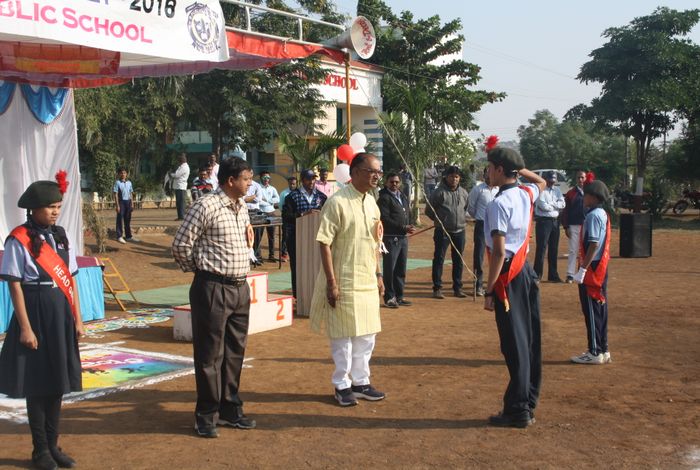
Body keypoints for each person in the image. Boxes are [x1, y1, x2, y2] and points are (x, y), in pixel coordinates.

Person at [0, 176, 84, 470]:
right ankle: (40, 450)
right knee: (37, 384)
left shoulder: (61, 236)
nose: (55, 212)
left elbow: (70, 279)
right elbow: (15, 285)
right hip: (34, 311)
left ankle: (53, 445)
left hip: (60, 311)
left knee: (57, 381)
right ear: (34, 208)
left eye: (58, 206)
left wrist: (78, 319)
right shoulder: (18, 238)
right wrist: (25, 327)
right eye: (50, 207)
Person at [172, 157, 257, 438]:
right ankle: (206, 415)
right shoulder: (206, 205)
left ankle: (230, 409)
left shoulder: (241, 206)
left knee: (235, 352)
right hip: (213, 288)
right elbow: (181, 245)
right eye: (246, 178)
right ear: (231, 180)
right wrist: (202, 272)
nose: (250, 183)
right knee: (210, 355)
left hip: (240, 288)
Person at [309, 153, 386, 407]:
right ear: (354, 172)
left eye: (378, 172)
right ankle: (341, 384)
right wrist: (331, 282)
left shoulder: (372, 203)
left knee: (367, 335)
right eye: (371, 171)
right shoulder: (337, 202)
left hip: (367, 280)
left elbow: (375, 243)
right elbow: (324, 242)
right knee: (343, 337)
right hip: (343, 280)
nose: (376, 176)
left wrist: (378, 274)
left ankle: (361, 382)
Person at [482, 147, 546, 428]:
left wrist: (489, 290)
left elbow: (498, 251)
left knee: (514, 342)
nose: (487, 172)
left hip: (508, 275)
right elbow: (540, 182)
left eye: (490, 167)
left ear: (498, 169)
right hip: (526, 271)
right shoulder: (525, 194)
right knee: (529, 339)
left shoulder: (498, 204)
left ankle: (518, 409)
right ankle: (527, 401)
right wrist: (519, 169)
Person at [570, 180, 612, 365]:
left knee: (592, 310)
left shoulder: (593, 216)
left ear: (594, 197)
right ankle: (603, 348)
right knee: (600, 308)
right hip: (600, 266)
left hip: (592, 268)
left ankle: (594, 351)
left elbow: (593, 244)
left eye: (586, 195)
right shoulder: (602, 213)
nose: (583, 198)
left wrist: (583, 268)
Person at [426, 165, 470, 299]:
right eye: (451, 176)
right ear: (446, 177)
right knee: (439, 259)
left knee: (458, 259)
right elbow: (429, 211)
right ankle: (437, 288)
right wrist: (440, 221)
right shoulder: (438, 192)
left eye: (456, 177)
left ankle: (458, 288)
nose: (454, 179)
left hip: (460, 230)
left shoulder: (464, 193)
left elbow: (465, 208)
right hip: (443, 231)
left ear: (459, 178)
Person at [282, 169, 327, 299]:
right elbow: (286, 216)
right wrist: (303, 215)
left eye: (313, 179)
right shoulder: (292, 197)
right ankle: (298, 295)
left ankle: (316, 294)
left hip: (316, 237)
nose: (311, 182)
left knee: (317, 265)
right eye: (308, 179)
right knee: (297, 266)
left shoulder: (322, 197)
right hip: (296, 238)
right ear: (302, 180)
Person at [377, 172, 416, 308]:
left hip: (402, 238)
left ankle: (399, 296)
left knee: (401, 269)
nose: (394, 184)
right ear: (386, 183)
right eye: (391, 182)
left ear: (400, 183)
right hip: (390, 238)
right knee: (390, 269)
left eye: (396, 182)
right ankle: (389, 298)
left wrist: (409, 225)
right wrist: (403, 227)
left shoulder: (403, 196)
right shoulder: (384, 198)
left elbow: (407, 213)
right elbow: (385, 218)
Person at [467, 167, 498, 296]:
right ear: (484, 175)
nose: (489, 175)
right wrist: (479, 217)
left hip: (496, 226)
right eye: (487, 173)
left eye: (492, 173)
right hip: (481, 225)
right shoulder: (477, 189)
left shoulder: (499, 190)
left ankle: (495, 285)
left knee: (497, 255)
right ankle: (478, 285)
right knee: (479, 256)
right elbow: (471, 207)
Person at [533, 171, 566, 282]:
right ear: (545, 179)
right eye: (550, 180)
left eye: (553, 180)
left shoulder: (557, 190)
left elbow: (563, 204)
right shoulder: (540, 190)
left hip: (555, 222)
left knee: (553, 249)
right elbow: (543, 206)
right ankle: (537, 275)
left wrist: (552, 205)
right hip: (543, 222)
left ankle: (553, 275)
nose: (552, 182)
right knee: (541, 248)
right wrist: (556, 205)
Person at [562, 171, 587, 283]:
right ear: (576, 179)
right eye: (578, 178)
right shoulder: (571, 193)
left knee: (586, 250)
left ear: (586, 178)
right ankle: (570, 274)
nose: (580, 179)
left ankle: (584, 273)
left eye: (582, 177)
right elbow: (566, 211)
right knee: (573, 250)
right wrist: (566, 226)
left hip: (587, 225)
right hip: (574, 225)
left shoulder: (590, 192)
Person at [259, 170, 280, 262]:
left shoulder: (272, 188)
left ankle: (271, 255)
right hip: (261, 213)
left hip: (271, 213)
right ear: (261, 178)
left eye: (268, 177)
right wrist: (269, 202)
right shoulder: (258, 188)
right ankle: (258, 256)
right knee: (259, 235)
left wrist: (268, 201)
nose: (266, 179)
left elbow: (277, 199)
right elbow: (259, 201)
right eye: (264, 177)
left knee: (271, 236)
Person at [244, 176, 264, 265]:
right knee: (246, 235)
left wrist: (248, 198)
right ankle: (249, 257)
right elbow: (242, 198)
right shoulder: (243, 184)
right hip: (245, 211)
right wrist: (253, 196)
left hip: (256, 212)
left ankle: (256, 257)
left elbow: (258, 199)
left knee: (257, 234)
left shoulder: (257, 185)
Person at [113, 167, 135, 244]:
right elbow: (115, 194)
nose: (123, 174)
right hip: (121, 202)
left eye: (124, 173)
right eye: (121, 173)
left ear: (126, 174)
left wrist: (132, 203)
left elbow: (131, 193)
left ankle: (128, 236)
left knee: (127, 220)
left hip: (128, 202)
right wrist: (117, 205)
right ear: (119, 174)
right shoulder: (117, 183)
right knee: (119, 219)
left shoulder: (129, 183)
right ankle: (119, 236)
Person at [278, 176, 297, 263]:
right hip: (287, 218)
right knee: (286, 236)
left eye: (294, 184)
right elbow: (280, 206)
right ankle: (284, 254)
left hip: (297, 217)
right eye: (291, 184)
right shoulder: (284, 193)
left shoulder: (299, 193)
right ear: (288, 183)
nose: (292, 185)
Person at [170, 153, 190, 220]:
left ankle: (181, 216)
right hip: (178, 186)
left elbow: (176, 175)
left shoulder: (184, 167)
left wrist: (170, 174)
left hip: (181, 186)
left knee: (181, 202)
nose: (179, 160)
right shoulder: (181, 166)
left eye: (180, 158)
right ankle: (180, 216)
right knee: (179, 202)